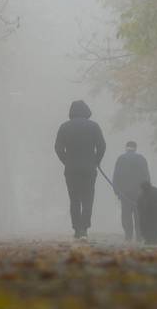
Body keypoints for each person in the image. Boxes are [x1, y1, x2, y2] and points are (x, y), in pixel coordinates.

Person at [55, 100, 106, 240]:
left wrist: (67, 161)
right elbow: (102, 146)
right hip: (89, 169)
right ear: (86, 111)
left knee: (74, 199)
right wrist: (96, 161)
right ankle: (84, 228)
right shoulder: (94, 126)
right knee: (88, 198)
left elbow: (58, 148)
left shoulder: (64, 127)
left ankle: (77, 228)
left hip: (71, 169)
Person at [112, 141, 150, 241]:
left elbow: (116, 176)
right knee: (139, 214)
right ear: (135, 148)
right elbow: (146, 176)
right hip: (139, 192)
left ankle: (128, 235)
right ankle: (139, 236)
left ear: (126, 148)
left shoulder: (121, 159)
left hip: (125, 193)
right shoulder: (141, 159)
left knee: (126, 215)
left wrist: (116, 191)